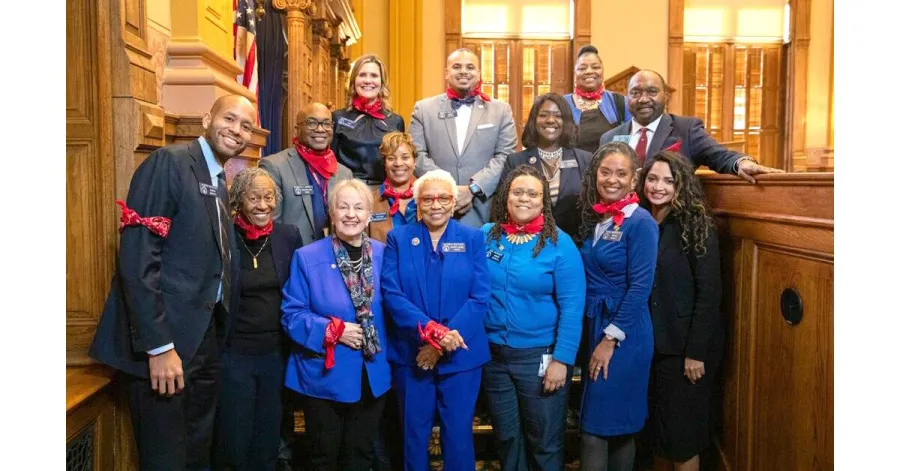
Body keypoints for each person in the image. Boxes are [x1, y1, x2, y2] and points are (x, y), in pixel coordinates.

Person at [89, 95, 256, 470]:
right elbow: (138, 258)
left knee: (196, 453)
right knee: (165, 458)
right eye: (229, 118)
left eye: (246, 126)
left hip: (204, 340)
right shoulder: (170, 163)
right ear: (206, 118)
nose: (236, 130)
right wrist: (159, 346)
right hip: (166, 347)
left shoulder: (218, 179)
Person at [381, 169, 491, 471]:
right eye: (427, 198)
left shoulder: (472, 239)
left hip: (461, 357)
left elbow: (480, 297)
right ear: (417, 203)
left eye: (444, 197)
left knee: (458, 435)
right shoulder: (398, 238)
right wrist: (430, 334)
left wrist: (441, 344)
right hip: (412, 354)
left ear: (454, 202)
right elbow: (392, 294)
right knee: (413, 436)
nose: (436, 204)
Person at [281, 179, 392, 471]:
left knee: (361, 457)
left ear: (369, 215)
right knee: (323, 459)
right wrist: (333, 330)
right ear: (331, 213)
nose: (351, 214)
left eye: (359, 207)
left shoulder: (385, 255)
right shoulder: (307, 257)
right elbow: (292, 314)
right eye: (343, 207)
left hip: (373, 375)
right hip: (323, 377)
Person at [481, 165, 586, 471]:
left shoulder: (559, 244)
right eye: (517, 192)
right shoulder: (487, 236)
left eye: (532, 193)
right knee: (508, 439)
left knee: (544, 443)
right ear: (506, 196)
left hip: (539, 359)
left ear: (543, 201)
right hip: (494, 359)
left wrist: (562, 360)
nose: (523, 198)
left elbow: (572, 307)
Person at [637, 151, 725, 471]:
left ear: (681, 186)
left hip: (686, 349)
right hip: (652, 344)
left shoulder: (696, 224)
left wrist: (695, 353)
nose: (658, 186)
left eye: (668, 181)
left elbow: (709, 293)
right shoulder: (641, 219)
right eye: (652, 178)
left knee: (682, 439)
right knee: (659, 436)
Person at [213, 168, 303, 471]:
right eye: (254, 198)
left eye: (268, 197)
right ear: (239, 200)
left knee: (268, 438)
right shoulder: (223, 234)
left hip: (276, 354)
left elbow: (301, 291)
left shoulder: (288, 236)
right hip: (233, 355)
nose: (263, 205)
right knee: (234, 440)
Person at [576, 141, 659, 471]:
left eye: (621, 173)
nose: (612, 179)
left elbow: (641, 287)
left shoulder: (641, 222)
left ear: (634, 179)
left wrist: (609, 340)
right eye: (605, 172)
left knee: (597, 430)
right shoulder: (600, 220)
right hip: (598, 323)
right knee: (617, 428)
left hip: (624, 333)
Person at [598, 69, 784, 183]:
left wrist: (742, 163)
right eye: (635, 93)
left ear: (665, 96)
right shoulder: (609, 138)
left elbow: (718, 155)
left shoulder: (686, 129)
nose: (644, 99)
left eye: (652, 92)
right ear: (627, 98)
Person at [410, 47, 518, 228]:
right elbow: (416, 155)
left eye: (470, 67)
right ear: (446, 73)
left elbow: (505, 156)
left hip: (483, 209)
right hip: (435, 206)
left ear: (478, 73)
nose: (463, 72)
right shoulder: (423, 109)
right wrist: (448, 189)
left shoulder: (500, 110)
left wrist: (472, 189)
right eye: (456, 66)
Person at [500, 93, 592, 237]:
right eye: (543, 115)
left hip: (575, 244)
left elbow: (592, 209)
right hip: (525, 243)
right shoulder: (515, 161)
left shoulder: (585, 159)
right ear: (534, 120)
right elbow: (502, 208)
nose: (550, 120)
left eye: (558, 116)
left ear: (566, 121)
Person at [260, 102, 353, 244]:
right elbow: (271, 225)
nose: (320, 129)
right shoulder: (274, 166)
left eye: (326, 124)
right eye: (312, 123)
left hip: (335, 257)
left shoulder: (344, 173)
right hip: (293, 257)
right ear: (296, 130)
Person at [332, 54, 406, 186]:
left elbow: (399, 163)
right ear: (354, 80)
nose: (367, 80)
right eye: (362, 75)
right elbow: (330, 162)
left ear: (382, 82)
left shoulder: (396, 121)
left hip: (383, 194)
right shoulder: (338, 118)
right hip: (346, 191)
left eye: (374, 75)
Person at [563, 45, 630, 155]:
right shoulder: (562, 104)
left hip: (610, 169)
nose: (589, 71)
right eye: (582, 68)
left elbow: (633, 138)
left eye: (595, 67)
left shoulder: (620, 103)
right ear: (575, 73)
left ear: (602, 70)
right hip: (573, 170)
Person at [368, 131, 418, 242]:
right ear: (385, 164)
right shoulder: (369, 201)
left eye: (405, 157)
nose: (398, 163)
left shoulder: (430, 196)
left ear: (414, 162)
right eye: (391, 158)